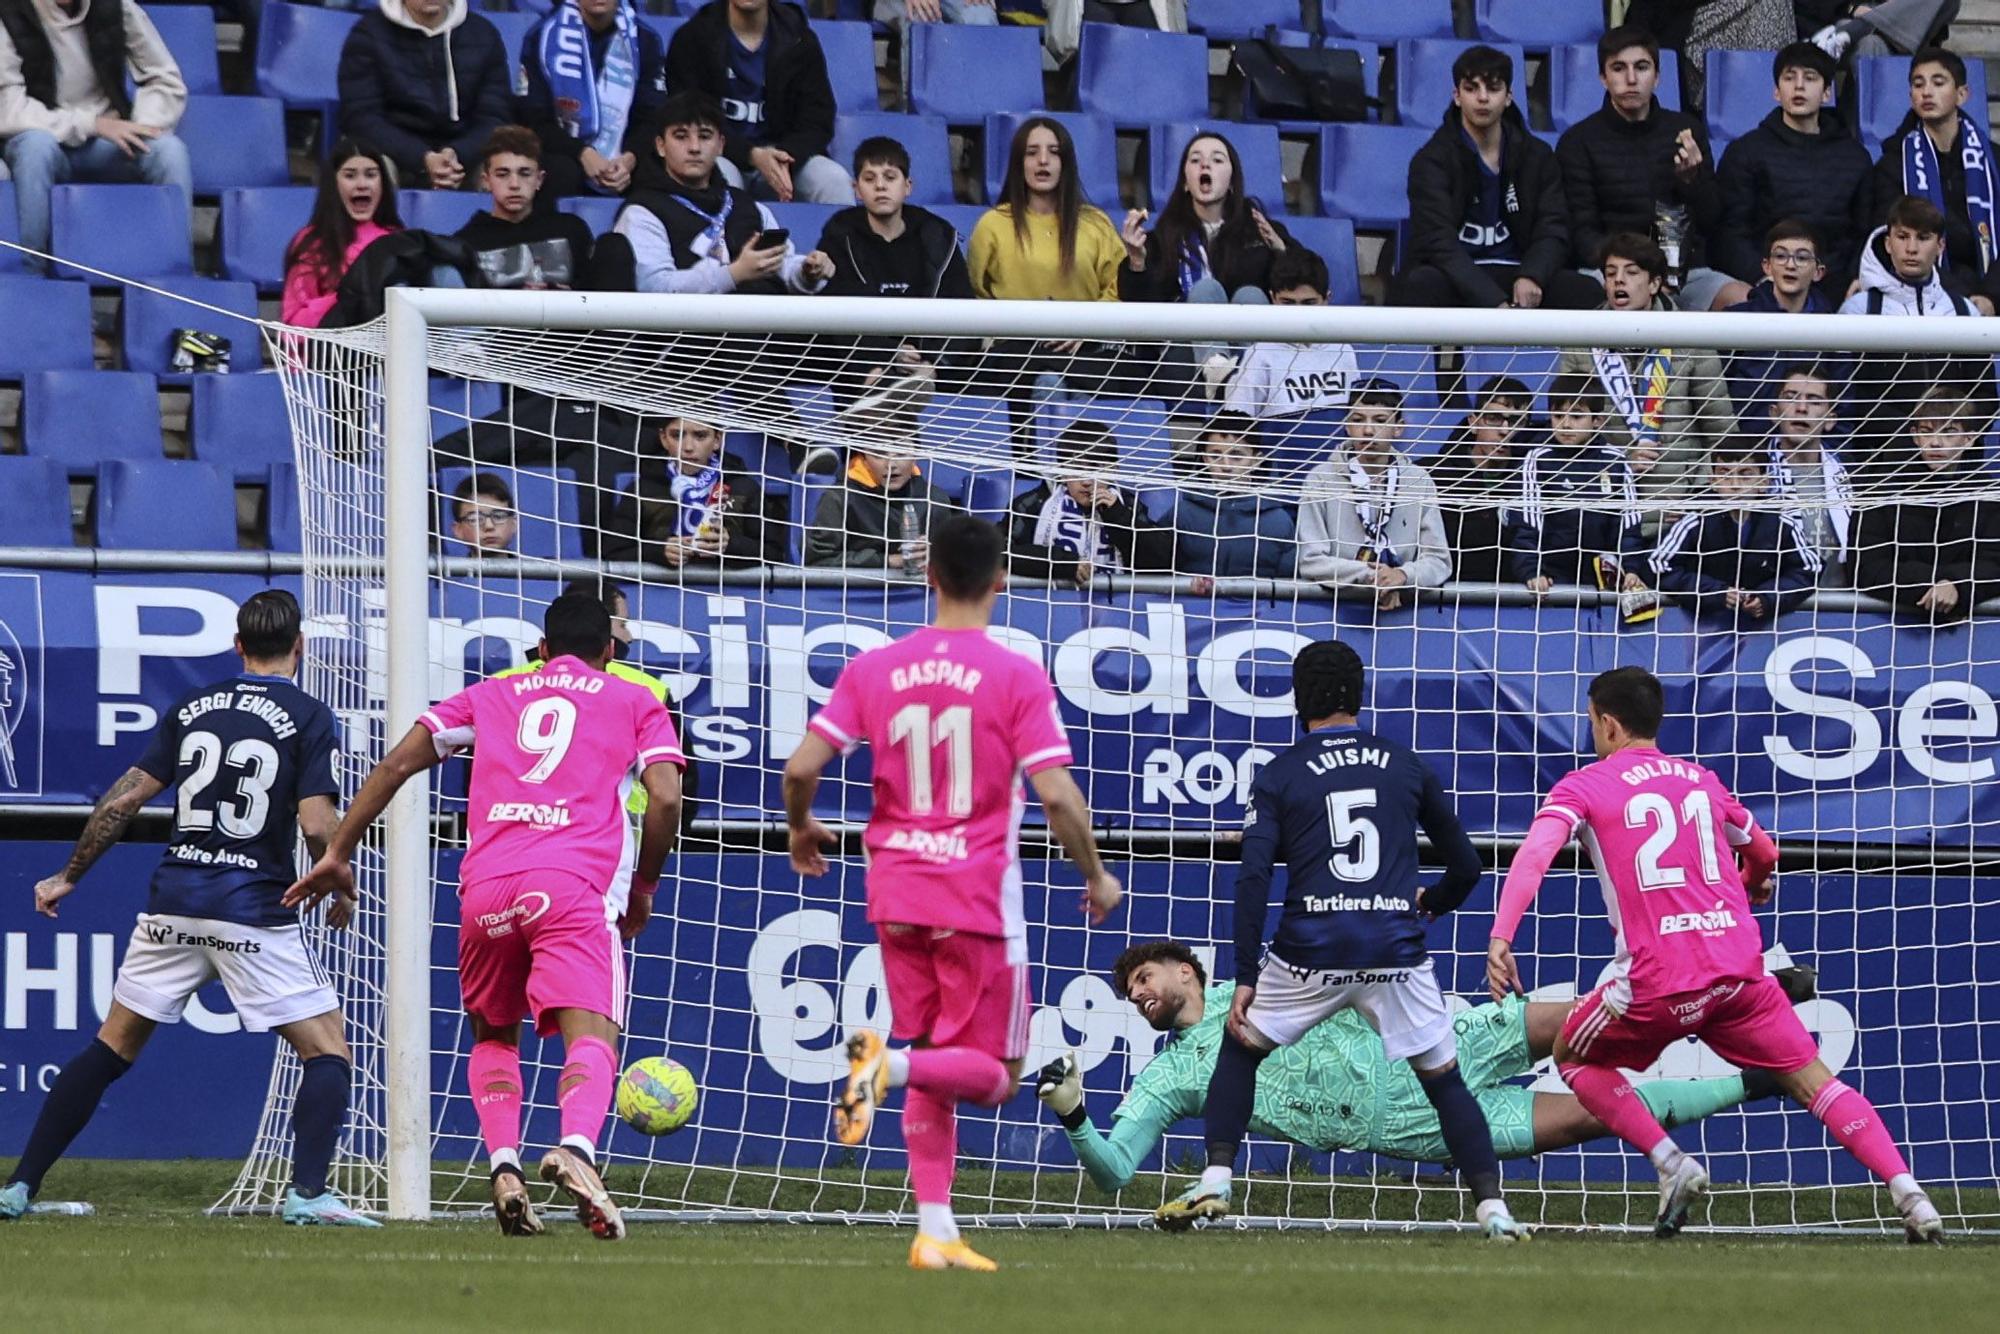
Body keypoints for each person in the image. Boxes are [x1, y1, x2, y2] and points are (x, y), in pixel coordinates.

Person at [1487, 665, 1944, 1242]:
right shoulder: (1702, 781)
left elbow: (1535, 855)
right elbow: (1767, 852)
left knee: (1572, 1056)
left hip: (1654, 984)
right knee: (1817, 1084)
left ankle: (1672, 1164)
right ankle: (1913, 1196)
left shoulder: (1583, 786)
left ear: (1606, 723)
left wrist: (1502, 936)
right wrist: (1751, 882)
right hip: (1738, 975)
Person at [287, 593, 687, 1240]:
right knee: (594, 1032)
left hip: (487, 889)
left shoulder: (491, 694)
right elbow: (665, 797)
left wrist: (339, 850)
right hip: (570, 884)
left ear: (542, 649)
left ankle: (504, 1167)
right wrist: (643, 884)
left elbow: (394, 764)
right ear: (610, 652)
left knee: (495, 1036)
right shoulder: (634, 698)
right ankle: (576, 1150)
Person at [782, 513, 1123, 1271]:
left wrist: (802, 829)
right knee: (997, 1077)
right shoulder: (1015, 675)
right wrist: (1096, 874)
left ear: (927, 574)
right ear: (1001, 580)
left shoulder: (876, 667)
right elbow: (1060, 797)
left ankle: (935, 1231)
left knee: (937, 1055)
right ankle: (882, 1066)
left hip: (895, 890)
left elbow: (802, 767)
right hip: (974, 898)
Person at [0, 592, 372, 1227]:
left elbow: (122, 800)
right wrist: (337, 877)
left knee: (110, 1048)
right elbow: (315, 821)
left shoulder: (193, 707)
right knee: (328, 1051)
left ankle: (18, 1188)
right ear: (300, 647)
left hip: (172, 902)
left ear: (237, 647)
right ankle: (308, 1193)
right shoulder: (309, 715)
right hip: (250, 906)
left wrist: (68, 875)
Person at [1154, 640, 1525, 1240]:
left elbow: (1253, 880)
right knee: (1444, 1079)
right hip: (1393, 950)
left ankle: (1217, 1180)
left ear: (1299, 701)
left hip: (1310, 951)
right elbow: (1467, 866)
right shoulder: (1405, 764)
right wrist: (1432, 902)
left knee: (1240, 1046)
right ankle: (1493, 1209)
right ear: (1359, 694)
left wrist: (1247, 971)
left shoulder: (1280, 773)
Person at [1035, 939, 1788, 1193]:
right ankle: (1760, 1079)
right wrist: (1074, 1116)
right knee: (1593, 1115)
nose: (1137, 997)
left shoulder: (1260, 985)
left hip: (1431, 1042)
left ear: (1184, 969)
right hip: (1402, 1122)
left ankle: (1736, 998)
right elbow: (1115, 1173)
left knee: (1578, 1019)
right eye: (1129, 994)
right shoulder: (1167, 1079)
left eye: (1143, 980)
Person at [1391, 44, 1601, 312]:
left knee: (1584, 290)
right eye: (1471, 88)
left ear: (1509, 96)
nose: (1482, 98)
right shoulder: (1431, 161)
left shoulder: (1538, 156)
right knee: (1419, 283)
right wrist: (1493, 301)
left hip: (1520, 271)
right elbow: (1437, 242)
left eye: (1493, 88)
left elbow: (1554, 226)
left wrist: (1533, 274)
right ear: (1456, 96)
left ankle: (1578, 358)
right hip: (1458, 275)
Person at [1556, 25, 1741, 313]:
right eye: (1618, 68)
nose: (1631, 79)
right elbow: (1582, 234)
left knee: (1744, 301)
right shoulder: (1578, 141)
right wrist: (1638, 275)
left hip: (1685, 274)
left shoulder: (1687, 131)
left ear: (1657, 77)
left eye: (1641, 67)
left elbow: (1712, 220)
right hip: (1610, 272)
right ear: (1603, 78)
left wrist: (1692, 181)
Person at [0, 0, 191, 275]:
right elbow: (8, 108)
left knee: (169, 152)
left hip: (106, 145)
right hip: (46, 137)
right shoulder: (8, 12)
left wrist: (142, 124)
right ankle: (31, 274)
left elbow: (165, 79)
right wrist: (91, 124)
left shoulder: (116, 6)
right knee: (34, 148)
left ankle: (178, 275)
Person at [1559, 232, 1736, 509]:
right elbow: (1565, 433)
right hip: (1606, 508)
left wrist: (1700, 501)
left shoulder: (1690, 339)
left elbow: (1721, 432)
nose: (1618, 279)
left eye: (1631, 272)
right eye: (1610, 273)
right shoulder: (1582, 344)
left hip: (1682, 507)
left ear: (1654, 283)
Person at [610, 92, 834, 295]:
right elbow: (655, 288)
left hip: (764, 330)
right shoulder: (641, 212)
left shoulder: (750, 207)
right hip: (689, 336)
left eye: (705, 136)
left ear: (720, 145)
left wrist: (806, 271)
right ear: (660, 146)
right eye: (681, 136)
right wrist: (734, 274)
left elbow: (783, 267)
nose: (694, 147)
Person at [815, 135, 979, 401]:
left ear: (908, 187)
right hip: (863, 367)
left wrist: (933, 366)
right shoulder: (840, 235)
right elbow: (835, 314)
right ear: (856, 189)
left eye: (890, 177)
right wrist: (887, 353)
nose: (880, 186)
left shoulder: (938, 237)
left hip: (929, 369)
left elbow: (964, 313)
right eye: (870, 179)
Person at [1714, 42, 1874, 303]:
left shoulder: (1855, 157)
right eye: (1790, 78)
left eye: (1810, 78)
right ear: (1777, 92)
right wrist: (1760, 276)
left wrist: (1853, 277)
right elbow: (1732, 231)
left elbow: (1863, 231)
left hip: (1836, 286)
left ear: (1826, 93)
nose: (1799, 86)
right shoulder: (1746, 151)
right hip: (1768, 283)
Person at [665, 0, 852, 205]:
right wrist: (751, 155)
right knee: (718, 178)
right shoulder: (693, 38)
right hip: (721, 153)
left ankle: (844, 238)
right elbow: (687, 115)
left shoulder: (800, 39)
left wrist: (783, 156)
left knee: (834, 180)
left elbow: (818, 118)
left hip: (785, 156)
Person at [1294, 379, 1451, 608]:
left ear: (1398, 428)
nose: (1368, 430)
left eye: (1380, 421)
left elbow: (1439, 561)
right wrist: (1375, 577)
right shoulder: (1320, 479)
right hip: (1334, 607)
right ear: (1347, 425)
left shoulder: (1419, 480)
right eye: (1358, 420)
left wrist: (1403, 576)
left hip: (1405, 608)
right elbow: (1310, 561)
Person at [1868, 47, 2000, 315]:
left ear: (1962, 94)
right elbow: (1892, 240)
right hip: (1924, 300)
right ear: (1911, 97)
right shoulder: (1893, 164)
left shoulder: (1995, 160)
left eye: (1938, 82)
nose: (1927, 92)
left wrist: (1991, 296)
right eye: (1919, 84)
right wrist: (1956, 300)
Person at [1504, 373, 1650, 606]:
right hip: (1552, 580)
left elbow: (1627, 526)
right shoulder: (1537, 460)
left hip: (1605, 582)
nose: (1566, 424)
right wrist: (1531, 571)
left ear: (1598, 421)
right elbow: (1526, 524)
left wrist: (1631, 568)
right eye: (1558, 415)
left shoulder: (1616, 463)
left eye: (1576, 416)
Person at [1855, 388, 2000, 620]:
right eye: (1927, 431)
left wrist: (1956, 584)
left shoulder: (1991, 497)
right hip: (1892, 625)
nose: (1935, 442)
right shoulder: (1881, 490)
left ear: (1969, 438)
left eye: (1949, 432)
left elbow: (1995, 564)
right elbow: (1866, 567)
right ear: (1914, 435)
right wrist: (1936, 584)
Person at [336, 0, 513, 190]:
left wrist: (457, 154)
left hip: (463, 157)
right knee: (372, 169)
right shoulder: (368, 34)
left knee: (505, 171)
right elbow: (361, 117)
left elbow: (495, 117)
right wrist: (422, 157)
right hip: (394, 152)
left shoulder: (483, 34)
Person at [1649, 440, 1822, 622]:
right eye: (1725, 475)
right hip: (1701, 625)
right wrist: (1714, 593)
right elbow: (1657, 564)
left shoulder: (1780, 522)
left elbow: (1810, 567)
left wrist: (1767, 598)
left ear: (1764, 482)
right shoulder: (1696, 520)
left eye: (1745, 475)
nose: (1735, 484)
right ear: (1713, 481)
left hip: (1763, 628)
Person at [517, 0, 668, 200]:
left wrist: (629, 159)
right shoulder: (542, 37)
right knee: (560, 171)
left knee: (656, 174)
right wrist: (582, 153)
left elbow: (652, 117)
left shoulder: (644, 40)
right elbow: (534, 120)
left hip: (627, 157)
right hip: (563, 153)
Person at [1118, 131, 1291, 306]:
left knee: (1250, 296)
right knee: (1205, 292)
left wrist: (1281, 251)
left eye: (1217, 160)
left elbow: (1302, 285)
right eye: (1195, 160)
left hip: (1249, 331)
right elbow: (1140, 309)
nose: (1205, 165)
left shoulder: (1262, 233)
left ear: (1232, 182)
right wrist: (1137, 262)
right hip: (1184, 331)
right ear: (1185, 182)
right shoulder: (1160, 241)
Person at [1006, 420, 1176, 585]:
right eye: (1077, 469)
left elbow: (1162, 563)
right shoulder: (1032, 504)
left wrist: (1118, 516)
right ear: (1062, 471)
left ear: (1114, 470)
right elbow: (999, 553)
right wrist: (1061, 564)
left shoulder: (1128, 505)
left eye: (1096, 468)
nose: (1087, 481)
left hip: (1115, 608)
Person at [601, 415, 784, 568]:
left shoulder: (744, 487)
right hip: (661, 596)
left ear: (717, 440)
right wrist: (659, 552)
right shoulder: (643, 488)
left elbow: (775, 554)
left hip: (730, 596)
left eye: (700, 436)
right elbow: (613, 552)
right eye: (677, 435)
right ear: (664, 439)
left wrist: (731, 546)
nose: (688, 447)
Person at [1221, 247, 1358, 423]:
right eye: (1288, 303)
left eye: (1308, 303)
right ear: (1273, 298)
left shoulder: (1343, 350)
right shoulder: (1260, 355)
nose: (1298, 313)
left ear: (1327, 299)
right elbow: (1237, 423)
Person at [453, 126, 596, 290]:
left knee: (614, 246)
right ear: (486, 181)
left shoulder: (571, 229)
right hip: (500, 316)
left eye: (525, 173)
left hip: (567, 314)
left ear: (539, 180)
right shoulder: (467, 244)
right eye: (502, 174)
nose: (514, 185)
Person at [282, 140, 404, 329]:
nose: (362, 184)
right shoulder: (312, 242)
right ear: (333, 184)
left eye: (371, 175)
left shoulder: (399, 239)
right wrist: (345, 299)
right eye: (350, 176)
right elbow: (293, 326)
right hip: (331, 352)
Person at [1169, 413, 1296, 581]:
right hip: (1193, 606)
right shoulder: (1182, 513)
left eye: (1236, 455)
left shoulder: (1279, 521)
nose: (1226, 466)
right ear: (1205, 459)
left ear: (1256, 460)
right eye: (1215, 456)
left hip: (1257, 607)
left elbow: (1289, 585)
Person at [1722, 220, 1834, 409]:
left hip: (1808, 438)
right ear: (1767, 266)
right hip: (1747, 437)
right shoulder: (1734, 320)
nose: (1790, 265)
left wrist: (1831, 441)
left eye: (1802, 258)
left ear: (1818, 272)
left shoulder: (1835, 329)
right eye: (1781, 256)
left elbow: (1843, 405)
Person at [1429, 376, 1529, 586]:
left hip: (1517, 603)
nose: (1505, 430)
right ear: (1473, 423)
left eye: (1515, 421)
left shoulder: (1536, 478)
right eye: (1493, 418)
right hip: (1442, 601)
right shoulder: (1433, 475)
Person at [1764, 362, 1854, 582]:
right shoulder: (1751, 474)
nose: (1801, 408)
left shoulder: (1855, 476)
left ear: (1830, 420)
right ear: (1774, 412)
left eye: (1814, 401)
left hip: (1845, 607)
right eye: (1792, 397)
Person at [807, 440, 956, 571]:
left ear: (915, 456)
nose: (891, 465)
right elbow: (817, 560)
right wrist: (888, 561)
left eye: (901, 453)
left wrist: (937, 556)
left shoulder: (935, 499)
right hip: (855, 598)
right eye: (879, 454)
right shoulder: (839, 497)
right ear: (863, 458)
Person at [449, 472, 519, 555]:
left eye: (498, 517)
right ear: (458, 530)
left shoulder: (535, 567)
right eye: (475, 519)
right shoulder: (449, 568)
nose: (489, 526)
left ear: (514, 524)